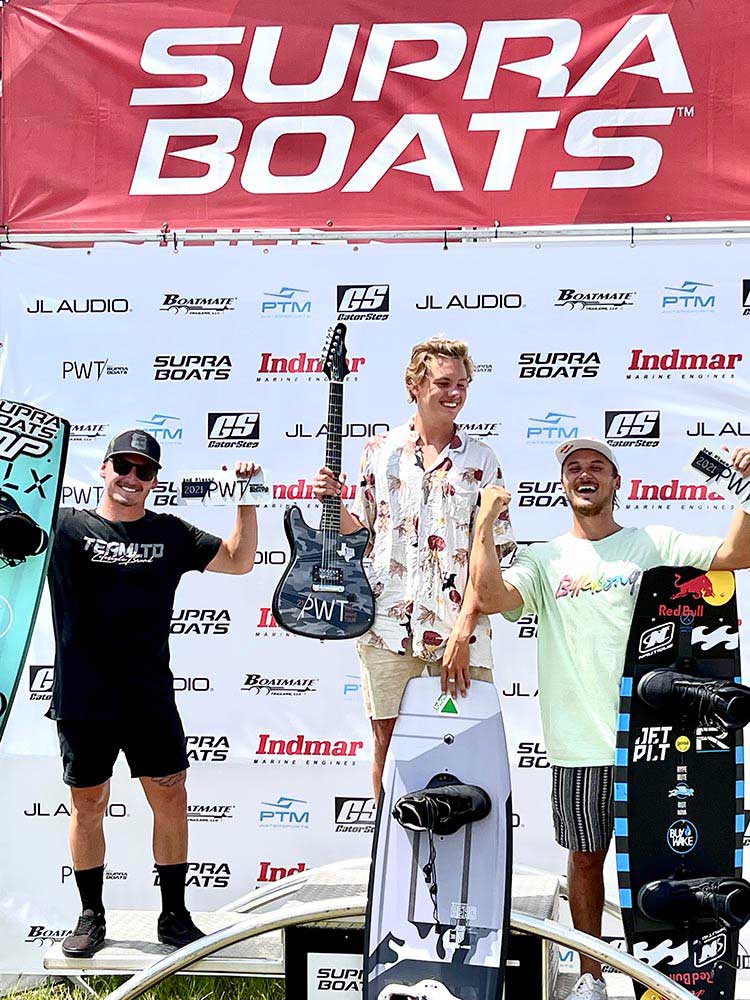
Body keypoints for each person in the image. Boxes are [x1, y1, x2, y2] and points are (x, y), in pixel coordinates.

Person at [470, 438, 750, 1000]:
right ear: (564, 487)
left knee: (674, 854)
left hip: (657, 740)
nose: (584, 474)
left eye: (597, 466)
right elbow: (490, 594)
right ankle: (591, 978)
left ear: (617, 482)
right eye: (573, 468)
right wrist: (483, 526)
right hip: (580, 744)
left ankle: (673, 978)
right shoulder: (543, 558)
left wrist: (745, 493)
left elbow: (735, 557)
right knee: (585, 858)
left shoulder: (654, 542)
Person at [48, 429, 260, 958]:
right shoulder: (65, 527)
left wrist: (247, 500)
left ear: (154, 481)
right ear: (104, 469)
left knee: (170, 798)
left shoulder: (171, 533)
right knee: (89, 804)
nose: (131, 478)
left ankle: (174, 916)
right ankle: (91, 915)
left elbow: (238, 559)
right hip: (83, 696)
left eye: (144, 471)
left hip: (148, 696)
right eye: (123, 465)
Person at [313, 337, 515, 797]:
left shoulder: (481, 459)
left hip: (458, 632)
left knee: (467, 751)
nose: (455, 393)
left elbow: (494, 553)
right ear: (414, 385)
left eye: (462, 384)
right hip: (384, 625)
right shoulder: (379, 451)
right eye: (443, 382)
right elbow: (359, 534)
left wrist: (464, 631)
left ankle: (459, 864)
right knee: (386, 748)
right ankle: (387, 858)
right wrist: (332, 500)